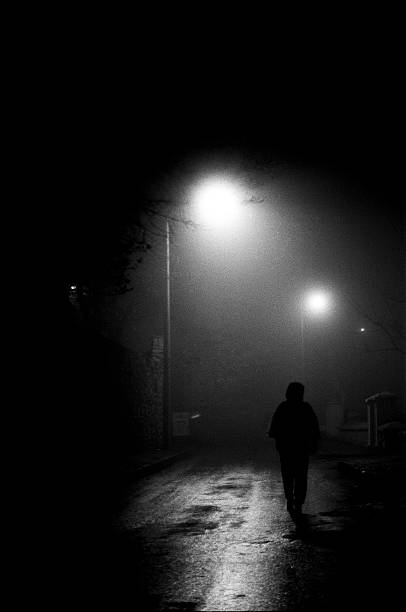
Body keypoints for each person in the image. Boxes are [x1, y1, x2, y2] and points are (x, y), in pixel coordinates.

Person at [268, 382, 320, 516]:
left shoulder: (283, 407)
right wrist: (314, 443)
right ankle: (298, 501)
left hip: (286, 449)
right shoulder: (305, 408)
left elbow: (274, 429)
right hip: (302, 449)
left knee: (288, 475)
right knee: (301, 476)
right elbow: (314, 428)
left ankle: (290, 499)